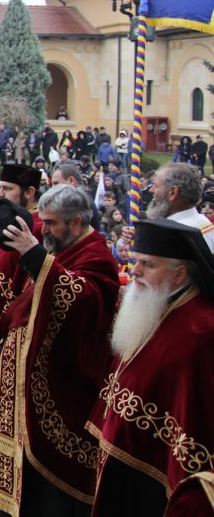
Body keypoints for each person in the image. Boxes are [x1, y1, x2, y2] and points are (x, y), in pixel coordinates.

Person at [0, 185, 120, 516]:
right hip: (29, 364)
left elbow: (81, 302)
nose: (45, 230)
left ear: (75, 223)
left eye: (52, 223)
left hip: (63, 375)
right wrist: (5, 348)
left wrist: (35, 255)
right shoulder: (60, 246)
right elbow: (27, 305)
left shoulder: (95, 255)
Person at [85, 219, 214, 517]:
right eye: (134, 261)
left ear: (179, 273)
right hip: (124, 452)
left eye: (148, 264)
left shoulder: (202, 329)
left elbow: (195, 409)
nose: (136, 271)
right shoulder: (150, 303)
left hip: (158, 465)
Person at [147, 162, 214, 251]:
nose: (151, 190)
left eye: (156, 186)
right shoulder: (202, 221)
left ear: (173, 192)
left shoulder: (172, 233)